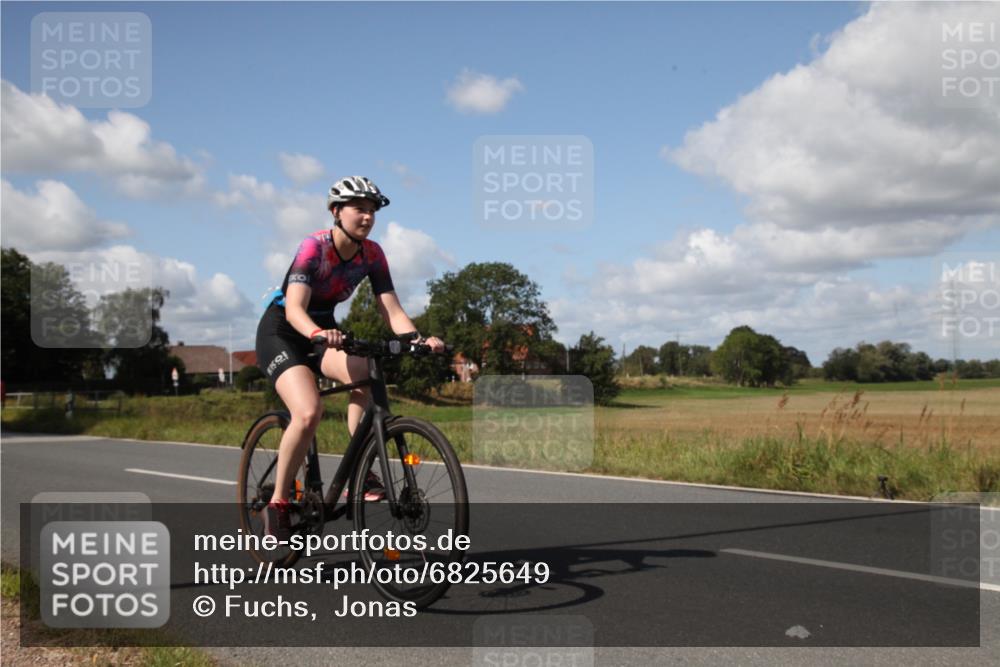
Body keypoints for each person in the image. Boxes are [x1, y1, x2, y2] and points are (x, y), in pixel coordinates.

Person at [255, 176, 444, 539]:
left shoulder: (372, 254)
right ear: (336, 212)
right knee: (309, 411)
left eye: (372, 210)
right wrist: (315, 333)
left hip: (325, 333)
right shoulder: (314, 248)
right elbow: (294, 307)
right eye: (360, 209)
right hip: (284, 332)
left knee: (364, 373)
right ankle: (278, 502)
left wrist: (418, 340)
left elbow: (391, 309)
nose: (368, 217)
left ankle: (360, 467)